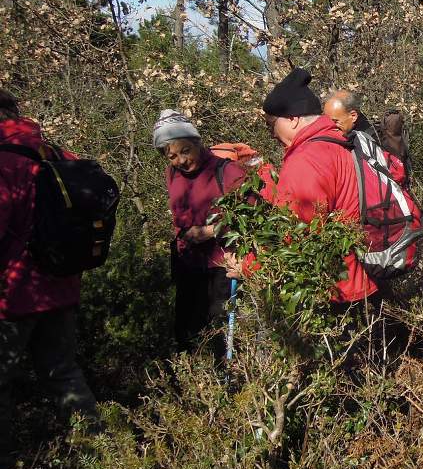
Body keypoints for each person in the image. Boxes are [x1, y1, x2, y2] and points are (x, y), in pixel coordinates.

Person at [0, 89, 97, 465]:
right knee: (63, 373)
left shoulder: (5, 164)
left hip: (11, 297)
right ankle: (101, 455)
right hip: (62, 289)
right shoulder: (58, 156)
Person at [237, 68, 378, 308]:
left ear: (292, 118)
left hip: (334, 289)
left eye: (272, 125)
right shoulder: (339, 144)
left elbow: (292, 232)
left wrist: (247, 265)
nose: (272, 134)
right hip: (361, 280)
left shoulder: (307, 158)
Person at [154, 109, 247, 354]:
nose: (181, 161)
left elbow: (251, 215)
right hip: (188, 264)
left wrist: (211, 230)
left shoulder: (228, 171)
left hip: (222, 265)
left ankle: (230, 386)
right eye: (172, 156)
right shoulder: (171, 174)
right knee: (186, 333)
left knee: (220, 336)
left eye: (185, 151)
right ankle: (194, 386)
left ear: (198, 142)